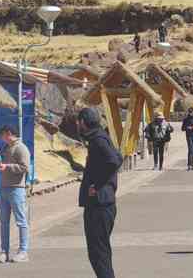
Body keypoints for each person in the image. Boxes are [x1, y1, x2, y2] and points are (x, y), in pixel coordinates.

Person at [78, 107, 122, 278]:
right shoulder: (99, 137)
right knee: (100, 251)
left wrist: (97, 184)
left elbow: (114, 160)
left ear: (83, 122)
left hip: (100, 204)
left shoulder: (98, 139)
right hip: (101, 203)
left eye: (78, 121)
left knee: (98, 253)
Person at [0, 125, 31, 263]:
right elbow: (0, 167)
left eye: (2, 134)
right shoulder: (6, 148)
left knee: (21, 221)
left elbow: (25, 167)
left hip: (17, 189)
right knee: (4, 223)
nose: (1, 137)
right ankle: (4, 252)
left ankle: (23, 251)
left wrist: (8, 166)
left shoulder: (21, 148)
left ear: (8, 133)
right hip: (4, 189)